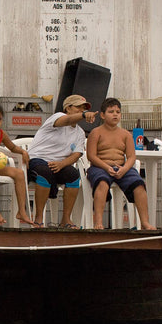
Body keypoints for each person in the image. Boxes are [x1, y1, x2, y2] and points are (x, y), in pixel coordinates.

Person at [27, 94, 97, 228]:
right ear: (68, 108)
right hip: (37, 160)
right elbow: (67, 120)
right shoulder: (57, 117)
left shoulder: (80, 133)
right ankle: (38, 218)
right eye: (79, 107)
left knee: (73, 176)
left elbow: (76, 154)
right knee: (44, 172)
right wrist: (84, 115)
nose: (82, 111)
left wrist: (62, 164)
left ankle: (66, 219)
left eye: (84, 109)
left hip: (58, 164)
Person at [86, 98, 156, 230]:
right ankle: (99, 221)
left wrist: (124, 169)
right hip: (100, 167)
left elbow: (131, 156)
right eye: (111, 111)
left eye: (118, 112)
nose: (115, 114)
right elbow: (91, 156)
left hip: (121, 167)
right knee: (102, 183)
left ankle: (145, 222)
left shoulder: (125, 134)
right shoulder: (96, 133)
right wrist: (106, 167)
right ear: (102, 115)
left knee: (139, 185)